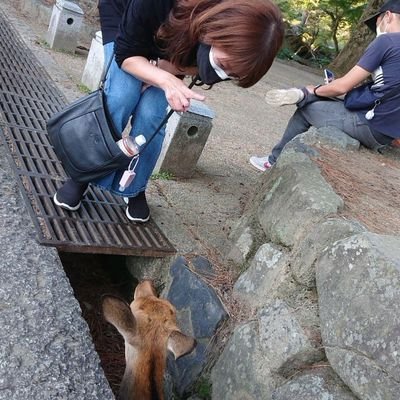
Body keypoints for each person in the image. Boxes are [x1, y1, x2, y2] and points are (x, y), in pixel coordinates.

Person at [53, 0, 285, 222]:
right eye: (224, 67)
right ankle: (84, 172)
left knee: (152, 111)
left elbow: (184, 62)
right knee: (122, 95)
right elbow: (127, 55)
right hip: (129, 17)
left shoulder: (231, 31)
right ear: (218, 31)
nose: (221, 76)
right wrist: (162, 79)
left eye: (232, 75)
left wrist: (162, 76)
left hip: (182, 35)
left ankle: (134, 187)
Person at [249, 0, 400, 173]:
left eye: (378, 22)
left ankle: (273, 161)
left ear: (387, 16)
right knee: (328, 94)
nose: (377, 30)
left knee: (308, 110)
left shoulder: (387, 41)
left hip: (373, 126)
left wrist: (315, 90)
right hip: (387, 130)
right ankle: (302, 93)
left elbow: (342, 87)